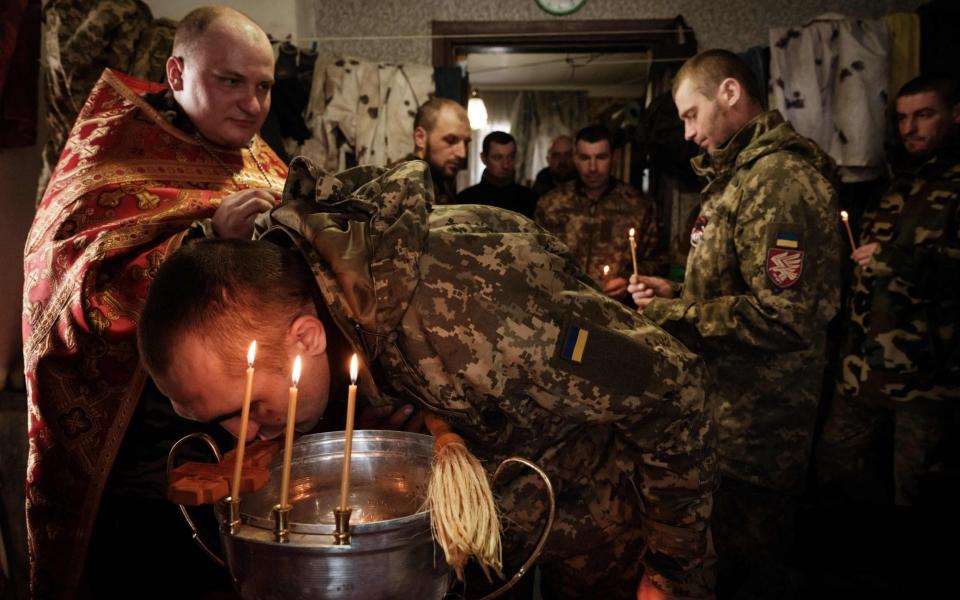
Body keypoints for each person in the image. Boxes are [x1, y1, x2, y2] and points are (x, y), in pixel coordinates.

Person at [137, 157, 718, 600]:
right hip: (508, 534)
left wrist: (670, 572)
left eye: (251, 406)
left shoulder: (478, 308)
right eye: (219, 419)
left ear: (304, 339)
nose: (246, 436)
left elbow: (675, 392)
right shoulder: (315, 294)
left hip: (620, 533)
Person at [21, 6, 289, 598]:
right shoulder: (108, 155)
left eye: (264, 86)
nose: (252, 103)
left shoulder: (261, 161)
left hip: (246, 445)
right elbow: (68, 292)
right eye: (230, 81)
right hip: (139, 456)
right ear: (175, 74)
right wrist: (201, 242)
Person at [628, 49, 842, 598]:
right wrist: (675, 291)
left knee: (750, 575)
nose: (688, 131)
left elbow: (787, 315)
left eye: (689, 114)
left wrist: (672, 314)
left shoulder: (780, 180)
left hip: (757, 439)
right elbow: (736, 291)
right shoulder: (736, 176)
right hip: (723, 423)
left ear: (728, 93)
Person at [817, 75, 960, 507]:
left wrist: (897, 257)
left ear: (955, 115)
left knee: (917, 498)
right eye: (901, 118)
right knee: (834, 482)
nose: (909, 128)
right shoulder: (891, 186)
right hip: (861, 373)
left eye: (923, 115)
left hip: (926, 381)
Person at [535, 124, 659, 302]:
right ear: (575, 158)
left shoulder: (639, 204)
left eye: (601, 157)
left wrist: (628, 279)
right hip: (563, 305)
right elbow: (536, 255)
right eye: (585, 158)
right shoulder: (551, 203)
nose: (592, 167)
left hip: (619, 310)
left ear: (613, 158)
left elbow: (657, 261)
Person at [456, 131, 539, 218]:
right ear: (484, 158)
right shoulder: (466, 200)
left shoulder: (531, 199)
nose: (506, 165)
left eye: (511, 157)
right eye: (498, 157)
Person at [410, 97, 471, 204]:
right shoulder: (402, 183)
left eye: (466, 143)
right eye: (451, 140)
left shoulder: (441, 182)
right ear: (420, 138)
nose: (462, 154)